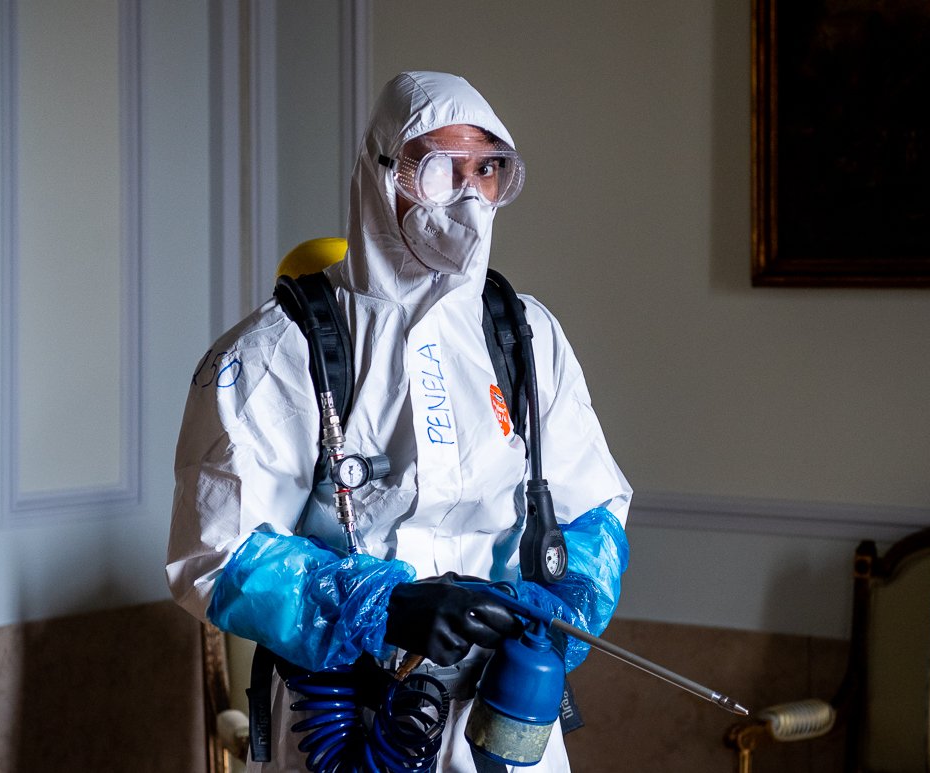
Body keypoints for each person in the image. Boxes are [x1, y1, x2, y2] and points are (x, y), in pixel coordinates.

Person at [167, 71, 631, 772]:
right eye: (440, 170)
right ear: (383, 176)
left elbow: (594, 512)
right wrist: (386, 607)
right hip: (344, 721)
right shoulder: (275, 352)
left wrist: (545, 614)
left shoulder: (526, 337)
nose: (468, 197)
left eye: (487, 170)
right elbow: (216, 554)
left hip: (502, 719)